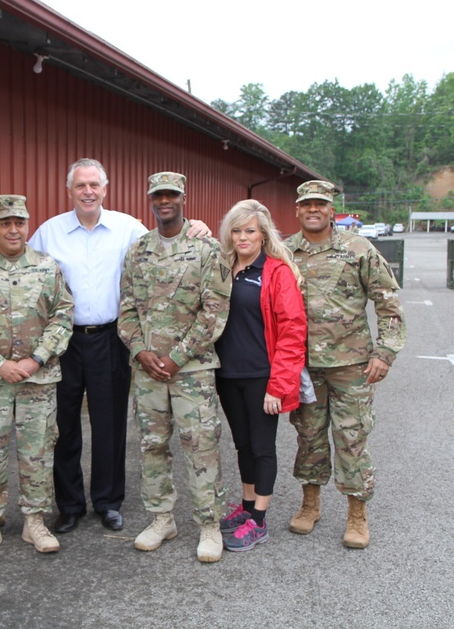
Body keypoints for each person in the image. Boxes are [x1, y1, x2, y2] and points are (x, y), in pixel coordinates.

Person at [26, 158, 211, 535]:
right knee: (63, 426)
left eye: (95, 185)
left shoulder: (128, 229)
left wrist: (198, 227)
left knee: (110, 424)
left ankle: (108, 502)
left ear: (105, 190)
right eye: (81, 186)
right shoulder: (49, 233)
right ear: (70, 191)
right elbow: (21, 265)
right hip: (64, 341)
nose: (88, 192)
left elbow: (168, 239)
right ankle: (70, 505)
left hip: (112, 338)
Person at [285, 180, 407, 549]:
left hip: (351, 365)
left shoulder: (359, 249)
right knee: (308, 437)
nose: (313, 210)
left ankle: (357, 513)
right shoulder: (286, 252)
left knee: (352, 439)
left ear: (331, 208)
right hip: (304, 366)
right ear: (297, 210)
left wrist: (385, 353)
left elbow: (388, 304)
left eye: (320, 204)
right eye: (307, 204)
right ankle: (310, 504)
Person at [118, 172, 231, 563]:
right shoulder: (139, 250)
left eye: (171, 195)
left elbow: (214, 312)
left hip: (193, 370)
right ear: (150, 199)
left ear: (183, 198)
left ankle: (209, 525)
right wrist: (139, 351)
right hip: (148, 371)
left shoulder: (206, 249)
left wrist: (177, 357)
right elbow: (127, 308)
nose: (164, 201)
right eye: (158, 195)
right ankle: (162, 518)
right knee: (152, 446)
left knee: (200, 446)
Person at [0, 195, 74, 560]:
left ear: (27, 224)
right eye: (5, 223)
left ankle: (34, 521)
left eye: (19, 222)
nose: (13, 229)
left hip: (37, 380)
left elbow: (63, 315)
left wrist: (37, 359)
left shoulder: (46, 265)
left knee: (37, 452)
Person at [213, 199, 307, 553]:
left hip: (262, 377)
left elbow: (293, 331)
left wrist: (278, 387)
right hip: (228, 374)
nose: (242, 237)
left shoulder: (277, 272)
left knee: (262, 447)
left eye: (249, 231)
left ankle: (260, 520)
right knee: (242, 445)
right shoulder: (224, 267)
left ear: (263, 234)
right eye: (236, 231)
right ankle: (247, 505)